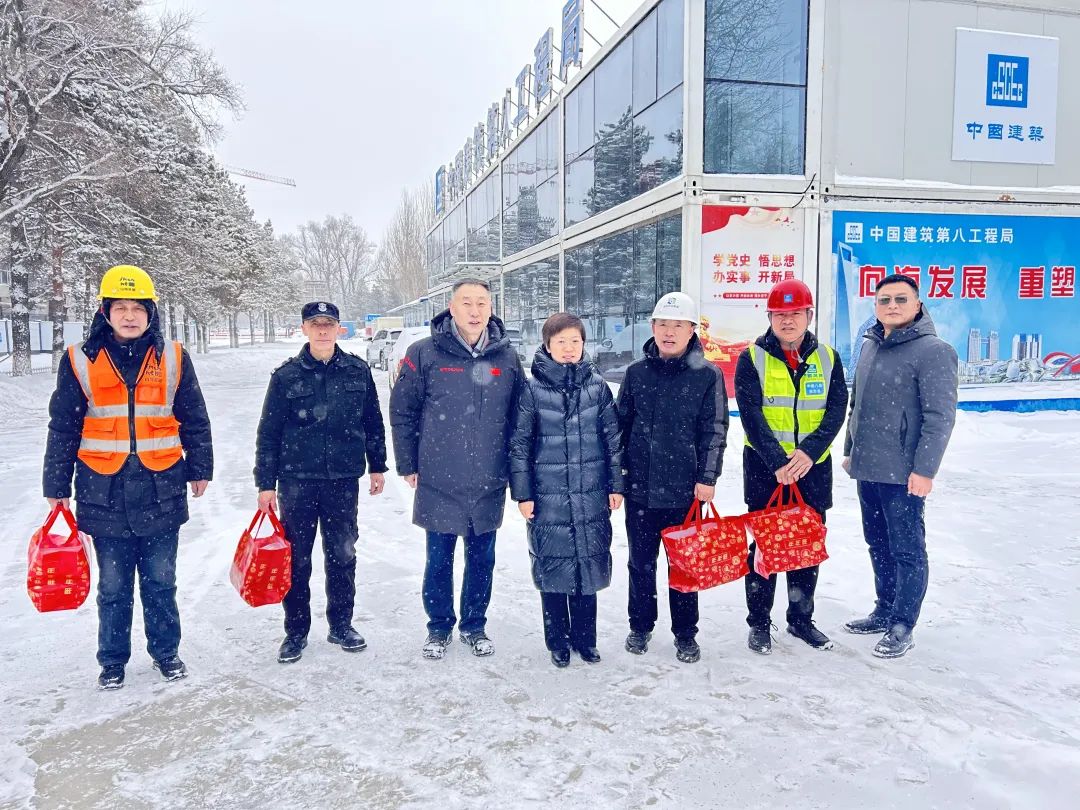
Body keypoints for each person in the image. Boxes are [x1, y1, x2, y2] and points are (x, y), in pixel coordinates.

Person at [42, 265, 213, 690]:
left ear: (151, 312)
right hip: (104, 490)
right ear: (105, 311)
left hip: (161, 487)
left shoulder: (173, 357)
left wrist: (200, 466)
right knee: (114, 586)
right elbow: (63, 426)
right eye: (121, 307)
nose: (130, 316)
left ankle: (166, 653)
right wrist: (56, 486)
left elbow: (194, 417)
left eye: (138, 308)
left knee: (161, 581)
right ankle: (113, 660)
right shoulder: (79, 360)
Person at [389, 279, 524, 660]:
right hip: (439, 476)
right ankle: (438, 627)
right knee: (439, 559)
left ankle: (474, 625)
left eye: (482, 303)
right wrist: (408, 462)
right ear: (452, 307)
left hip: (488, 477)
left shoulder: (506, 357)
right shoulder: (424, 353)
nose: (475, 311)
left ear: (491, 308)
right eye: (467, 302)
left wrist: (517, 472)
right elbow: (403, 411)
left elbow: (520, 418)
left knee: (482, 560)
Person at [254, 301, 387, 664]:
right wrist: (265, 483)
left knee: (342, 554)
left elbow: (372, 422)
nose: (323, 330)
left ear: (339, 328)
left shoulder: (357, 371)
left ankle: (341, 625)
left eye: (329, 323)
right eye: (316, 324)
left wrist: (378, 466)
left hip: (342, 480)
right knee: (297, 559)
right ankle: (296, 632)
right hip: (296, 481)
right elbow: (268, 433)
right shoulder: (286, 376)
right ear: (305, 329)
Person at [842, 274, 958, 659]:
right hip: (868, 467)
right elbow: (857, 404)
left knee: (907, 549)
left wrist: (925, 470)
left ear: (918, 304)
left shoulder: (934, 351)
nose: (892, 306)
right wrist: (851, 450)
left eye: (900, 299)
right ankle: (884, 608)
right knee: (877, 542)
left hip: (904, 473)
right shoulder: (870, 346)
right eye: (884, 300)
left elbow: (939, 417)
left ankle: (903, 624)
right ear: (876, 307)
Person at [735, 279, 848, 655]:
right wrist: (777, 461)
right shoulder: (752, 358)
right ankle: (759, 622)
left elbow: (836, 411)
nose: (788, 321)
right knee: (764, 548)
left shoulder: (828, 358)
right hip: (765, 469)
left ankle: (801, 620)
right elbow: (750, 414)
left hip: (812, 469)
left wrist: (809, 453)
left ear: (809, 316)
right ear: (769, 317)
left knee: (806, 544)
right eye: (780, 314)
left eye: (795, 313)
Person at [616, 291, 728, 664]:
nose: (669, 332)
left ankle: (685, 633)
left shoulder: (707, 375)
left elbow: (714, 430)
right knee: (640, 564)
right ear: (652, 327)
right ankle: (640, 626)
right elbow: (620, 428)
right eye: (662, 324)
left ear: (691, 330)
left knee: (684, 566)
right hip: (641, 490)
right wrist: (617, 478)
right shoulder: (636, 373)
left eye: (678, 325)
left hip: (685, 492)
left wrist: (707, 477)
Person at [509, 313, 624, 668]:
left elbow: (613, 441)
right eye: (561, 342)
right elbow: (519, 445)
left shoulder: (597, 387)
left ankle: (586, 640)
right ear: (547, 346)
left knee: (587, 569)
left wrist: (616, 485)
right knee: (554, 569)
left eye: (575, 341)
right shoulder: (532, 390)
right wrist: (524, 494)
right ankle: (557, 640)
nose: (569, 348)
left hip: (591, 494)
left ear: (584, 344)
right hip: (549, 497)